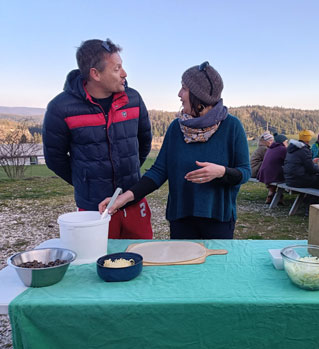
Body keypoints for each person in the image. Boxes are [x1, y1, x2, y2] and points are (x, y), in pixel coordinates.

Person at [99, 62, 251, 239]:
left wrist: (221, 172)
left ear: (200, 96)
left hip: (218, 219)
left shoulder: (232, 127)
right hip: (181, 218)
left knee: (215, 266)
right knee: (182, 266)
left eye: (184, 89)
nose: (179, 94)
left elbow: (245, 172)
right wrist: (123, 199)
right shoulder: (176, 128)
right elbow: (158, 171)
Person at [42, 38, 153, 239]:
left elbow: (144, 142)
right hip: (93, 209)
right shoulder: (60, 108)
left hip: (134, 202)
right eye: (117, 68)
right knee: (98, 261)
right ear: (95, 74)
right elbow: (54, 158)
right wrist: (85, 181)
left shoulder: (133, 99)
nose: (124, 73)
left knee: (141, 258)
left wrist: (130, 173)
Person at [257, 133, 288, 204]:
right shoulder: (282, 149)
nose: (287, 143)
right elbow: (288, 161)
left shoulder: (270, 148)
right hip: (272, 174)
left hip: (263, 173)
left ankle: (271, 195)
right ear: (282, 142)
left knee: (276, 172)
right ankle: (279, 197)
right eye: (286, 141)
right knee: (286, 176)